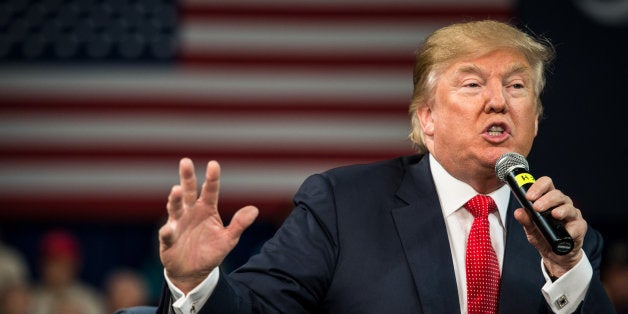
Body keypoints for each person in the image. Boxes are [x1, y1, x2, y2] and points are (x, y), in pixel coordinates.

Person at [155, 20, 616, 313]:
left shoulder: (566, 237)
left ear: (535, 118)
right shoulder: (342, 206)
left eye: (516, 87)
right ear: (427, 118)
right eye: (473, 84)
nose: (498, 101)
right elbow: (253, 309)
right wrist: (193, 283)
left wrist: (568, 267)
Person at [31, 229, 106, 314]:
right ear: (42, 265)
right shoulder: (30, 299)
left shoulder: (89, 298)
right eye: (54, 263)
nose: (60, 270)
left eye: (66, 264)